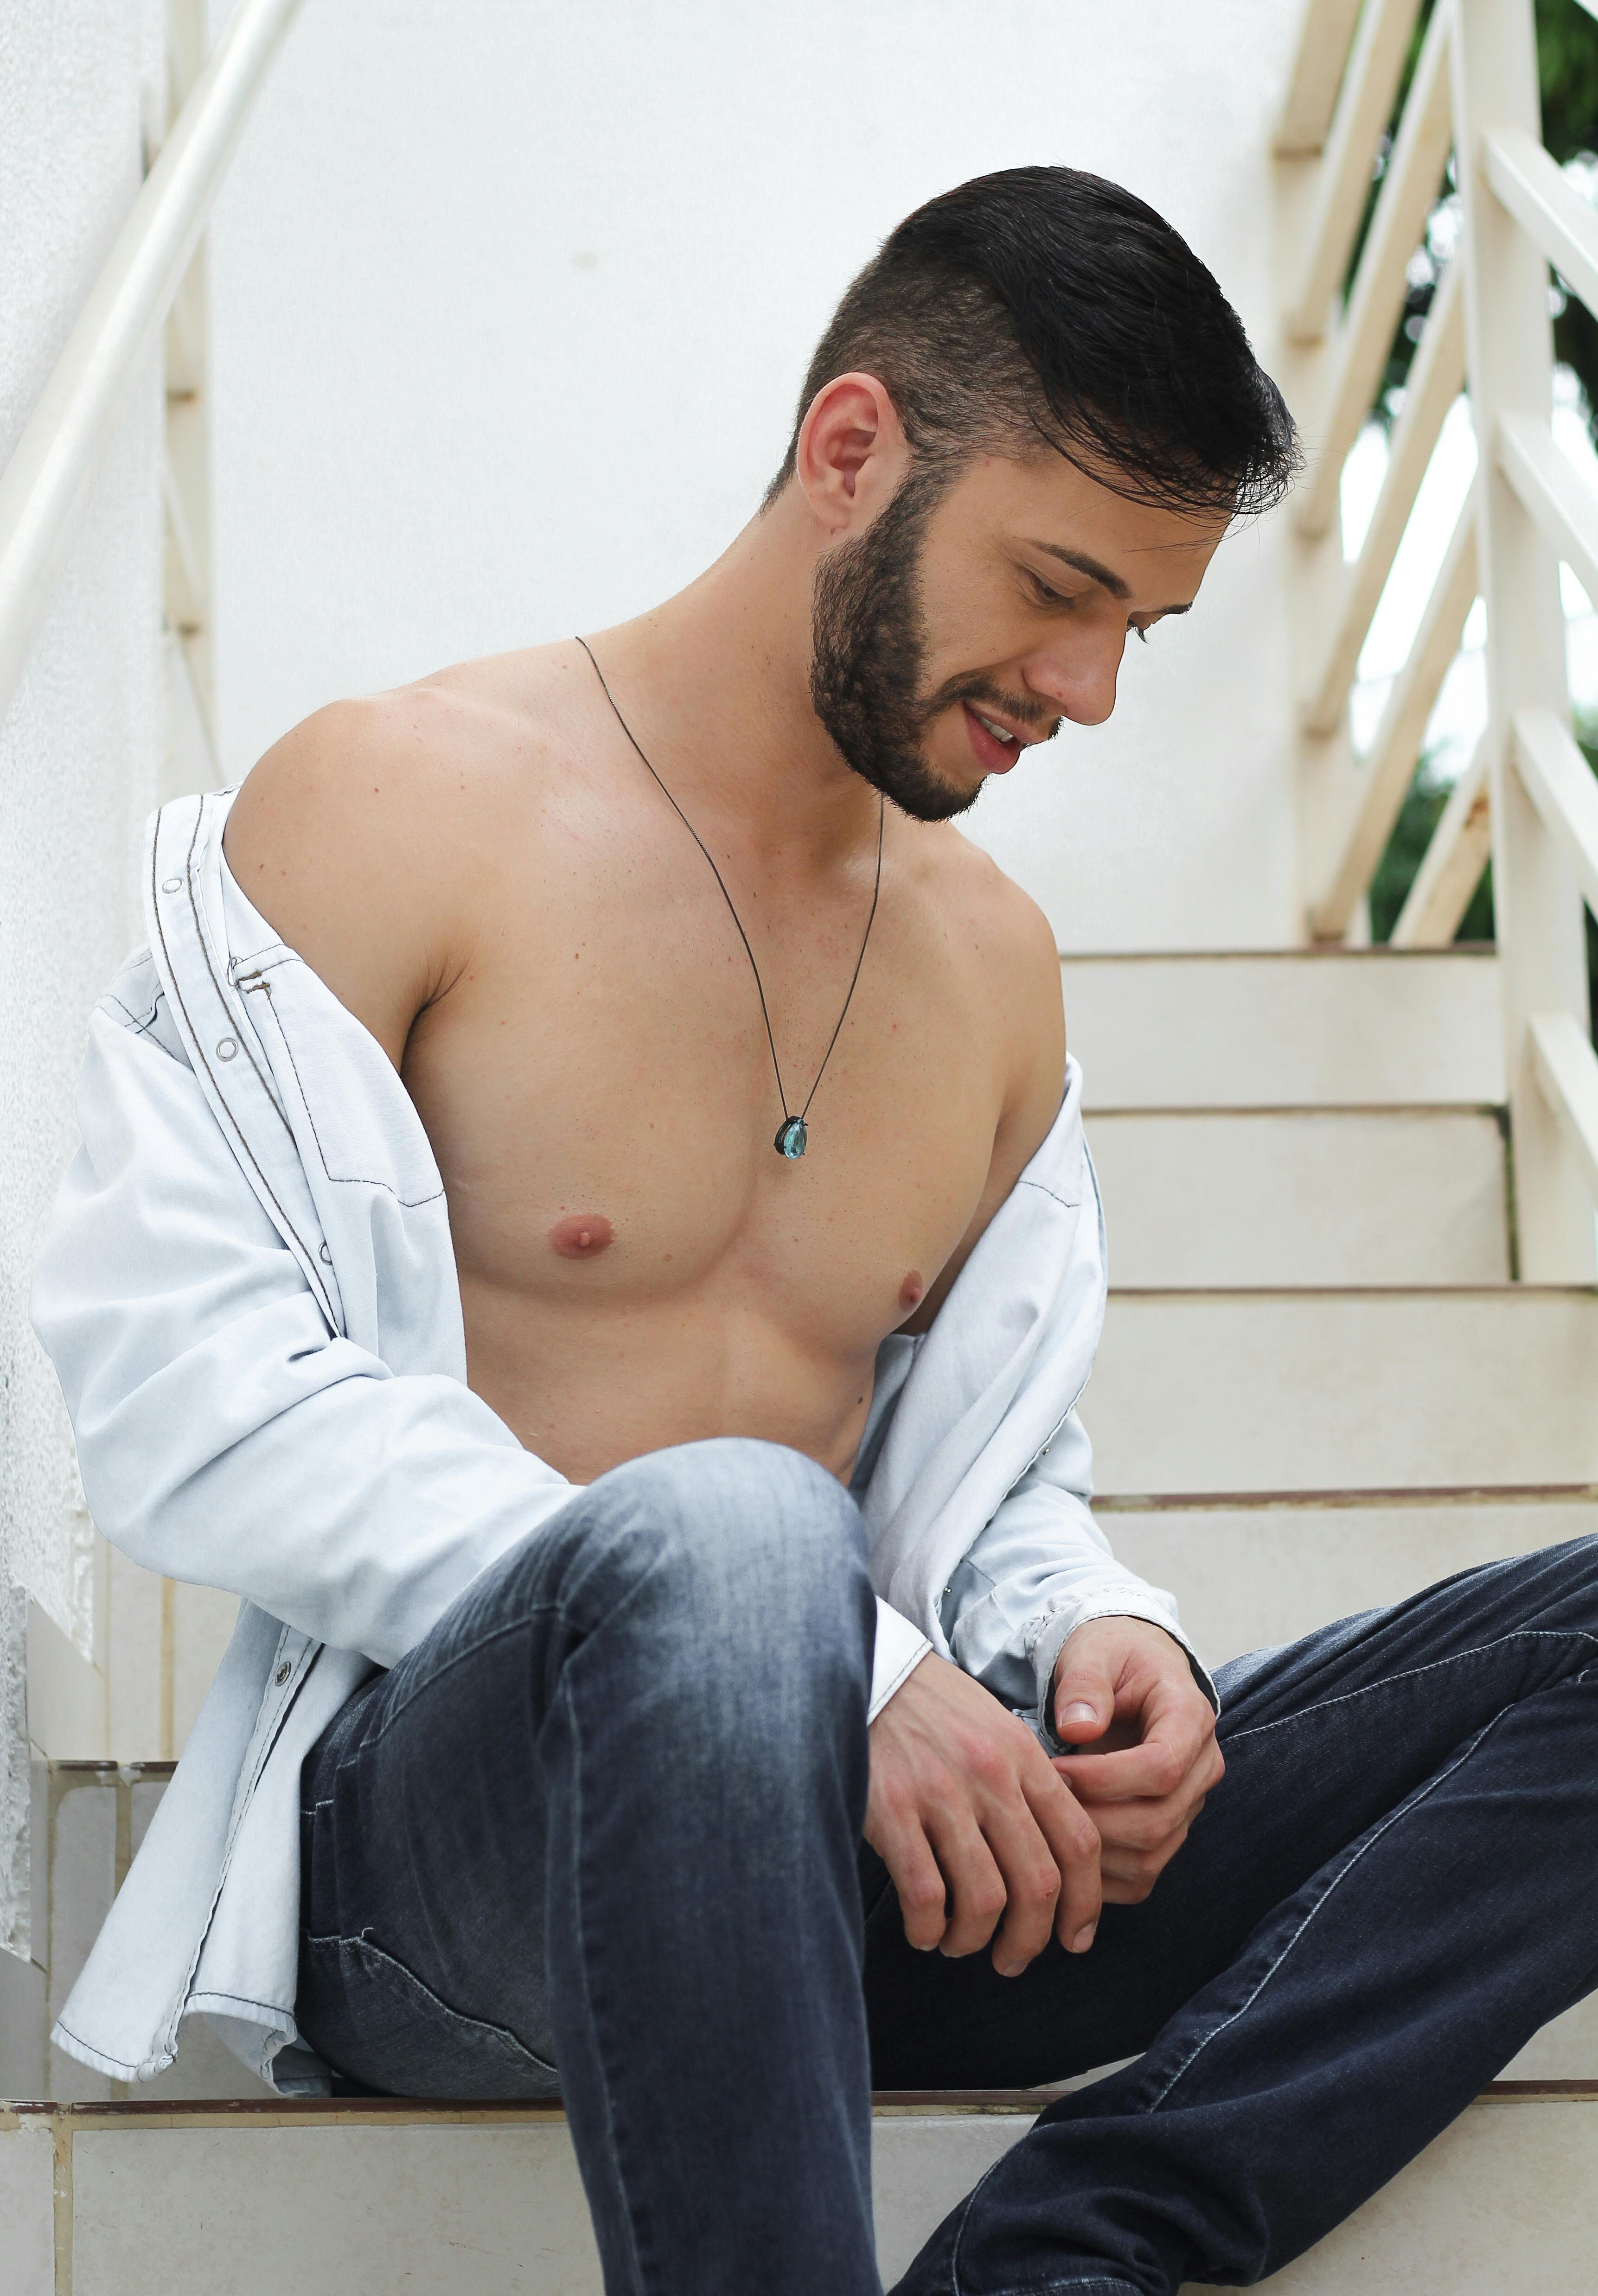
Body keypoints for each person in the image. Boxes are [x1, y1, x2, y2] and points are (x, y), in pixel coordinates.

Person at [32, 166, 1598, 2296]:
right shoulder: (397, 807)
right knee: (744, 1532)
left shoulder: (996, 969)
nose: (1090, 688)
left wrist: (1075, 1635)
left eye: (1138, 625)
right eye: (1056, 585)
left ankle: (1074, 2247)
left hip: (889, 1875)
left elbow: (990, 1475)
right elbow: (188, 1397)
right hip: (449, 1867)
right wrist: (851, 1657)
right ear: (851, 448)